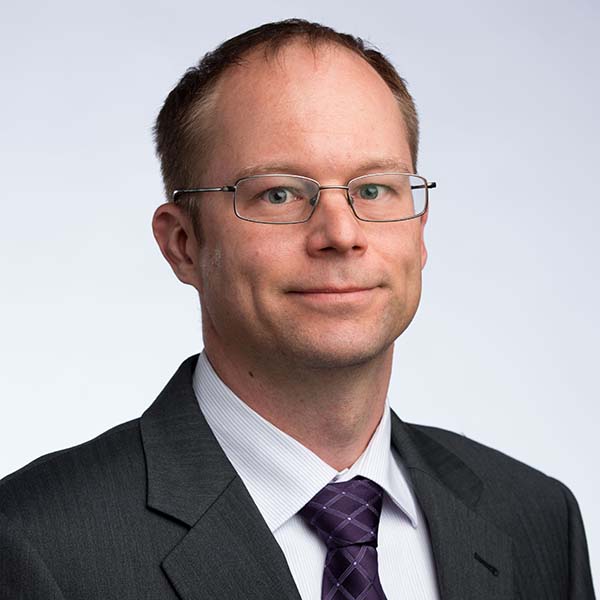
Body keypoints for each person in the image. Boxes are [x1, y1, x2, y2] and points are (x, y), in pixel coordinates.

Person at [0, 18, 595, 600]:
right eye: (279, 194)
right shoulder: (36, 544)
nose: (341, 234)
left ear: (418, 229)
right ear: (183, 244)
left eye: (372, 189)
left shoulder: (537, 519)